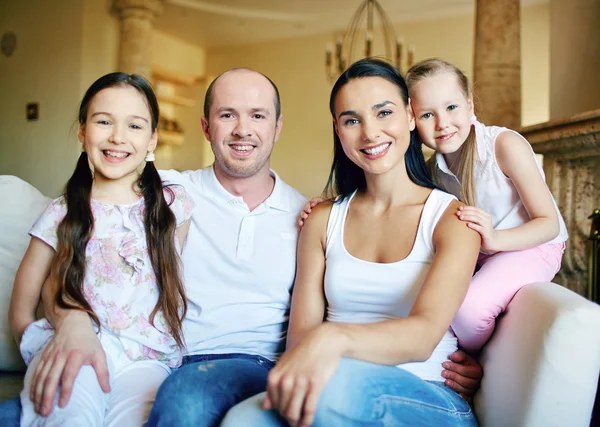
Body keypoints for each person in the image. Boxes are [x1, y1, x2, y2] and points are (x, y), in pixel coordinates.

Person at [0, 67, 483, 427]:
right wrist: (72, 319)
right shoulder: (163, 195)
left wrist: (473, 349)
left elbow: (427, 327)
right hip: (189, 359)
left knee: (189, 401)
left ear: (277, 128)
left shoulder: (313, 213)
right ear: (206, 127)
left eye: (257, 116)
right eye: (227, 115)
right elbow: (80, 232)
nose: (242, 130)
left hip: (294, 367)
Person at [221, 58, 481, 427]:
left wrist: (333, 339)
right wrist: (324, 343)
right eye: (352, 120)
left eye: (384, 112)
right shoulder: (322, 220)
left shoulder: (453, 220)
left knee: (334, 391)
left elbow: (423, 336)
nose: (370, 133)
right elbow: (301, 340)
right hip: (331, 383)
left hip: (428, 393)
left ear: (410, 115)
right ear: (338, 131)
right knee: (242, 419)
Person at [7, 72, 194, 426]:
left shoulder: (172, 204)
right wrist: (54, 340)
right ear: (82, 132)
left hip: (147, 359)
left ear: (153, 139)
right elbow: (20, 311)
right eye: (103, 121)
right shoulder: (60, 213)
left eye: (135, 126)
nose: (117, 137)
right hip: (75, 348)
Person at [405, 58, 568, 353]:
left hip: (532, 245)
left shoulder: (503, 146)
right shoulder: (430, 170)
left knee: (467, 308)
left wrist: (495, 239)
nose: (442, 123)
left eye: (451, 107)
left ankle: (476, 364)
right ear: (412, 121)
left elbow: (549, 223)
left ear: (470, 105)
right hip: (479, 254)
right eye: (427, 114)